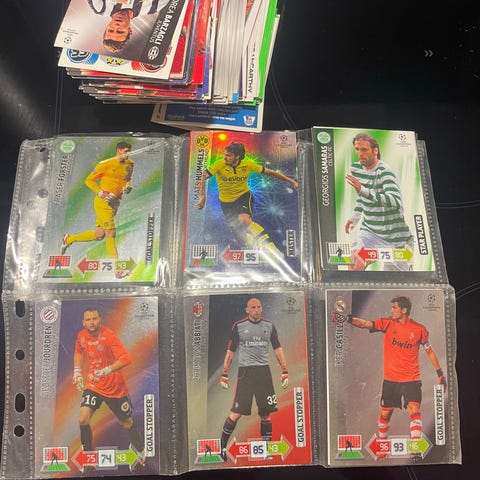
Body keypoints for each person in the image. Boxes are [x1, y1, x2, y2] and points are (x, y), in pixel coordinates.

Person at [347, 296, 447, 459]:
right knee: (386, 414)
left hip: (412, 379)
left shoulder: (419, 330)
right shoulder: (387, 323)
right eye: (391, 307)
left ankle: (415, 449)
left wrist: (440, 373)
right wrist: (348, 319)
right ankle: (383, 443)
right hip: (391, 380)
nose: (391, 310)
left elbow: (429, 351)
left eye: (394, 307)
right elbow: (365, 324)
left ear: (404, 310)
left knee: (414, 410)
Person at [195, 141, 298, 256]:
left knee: (244, 219)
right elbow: (202, 176)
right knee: (239, 235)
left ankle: (272, 250)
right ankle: (251, 245)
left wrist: (291, 181)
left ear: (237, 156)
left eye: (229, 155)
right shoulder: (219, 164)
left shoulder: (248, 165)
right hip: (226, 202)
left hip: (243, 196)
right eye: (225, 155)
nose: (225, 158)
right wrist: (203, 196)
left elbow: (270, 172)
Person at [219, 298, 289, 462]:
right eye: (253, 307)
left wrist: (284, 370)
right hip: (246, 374)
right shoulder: (239, 326)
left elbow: (278, 349)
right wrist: (225, 373)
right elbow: (230, 351)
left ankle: (265, 451)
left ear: (261, 309)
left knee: (266, 414)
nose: (256, 310)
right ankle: (221, 448)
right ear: (247, 310)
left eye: (258, 307)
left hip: (264, 373)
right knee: (236, 413)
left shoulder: (269, 326)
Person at [72, 307, 145, 466]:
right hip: (94, 384)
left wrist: (107, 370)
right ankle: (88, 457)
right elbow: (78, 351)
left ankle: (141, 451)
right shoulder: (82, 336)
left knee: (126, 422)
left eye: (95, 319)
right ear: (84, 322)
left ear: (99, 319)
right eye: (88, 319)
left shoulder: (109, 336)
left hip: (115, 387)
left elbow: (126, 358)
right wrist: (77, 372)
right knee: (83, 418)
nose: (92, 322)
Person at [344, 133, 414, 271]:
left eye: (364, 150)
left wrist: (363, 190)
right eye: (357, 149)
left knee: (397, 279)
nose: (360, 154)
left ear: (375, 151)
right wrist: (355, 217)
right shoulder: (356, 169)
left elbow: (394, 201)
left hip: (395, 238)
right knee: (354, 263)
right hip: (370, 232)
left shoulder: (385, 172)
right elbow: (363, 196)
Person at [61, 141, 133, 265]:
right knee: (111, 233)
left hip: (115, 203)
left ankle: (68, 239)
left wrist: (128, 187)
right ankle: (116, 267)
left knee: (99, 234)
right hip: (103, 203)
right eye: (126, 151)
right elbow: (88, 180)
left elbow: (128, 179)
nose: (128, 154)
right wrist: (100, 192)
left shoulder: (130, 163)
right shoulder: (105, 164)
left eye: (129, 152)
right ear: (118, 150)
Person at [87, 0, 170, 53]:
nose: (116, 26)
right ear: (130, 31)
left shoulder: (101, 8)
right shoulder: (153, 7)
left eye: (110, 30)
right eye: (120, 31)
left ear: (106, 27)